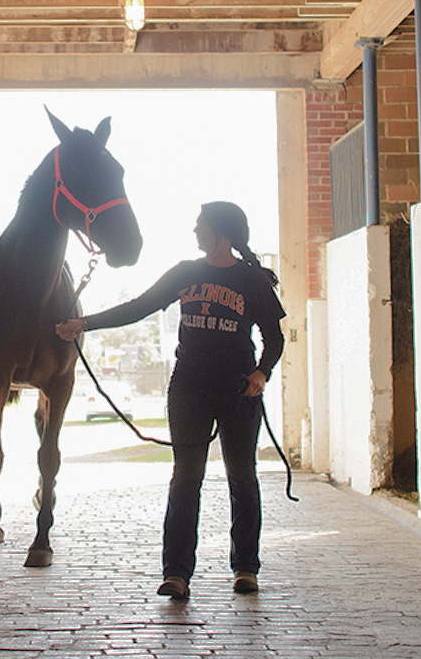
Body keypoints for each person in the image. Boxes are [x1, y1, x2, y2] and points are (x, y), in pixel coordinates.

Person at [56, 201, 285, 600]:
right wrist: (85, 323)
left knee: (243, 479)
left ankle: (246, 567)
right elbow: (139, 307)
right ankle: (176, 573)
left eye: (201, 225)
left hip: (237, 392)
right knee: (185, 480)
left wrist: (261, 373)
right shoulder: (185, 273)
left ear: (221, 232)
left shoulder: (253, 281)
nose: (195, 231)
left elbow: (275, 337)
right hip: (188, 390)